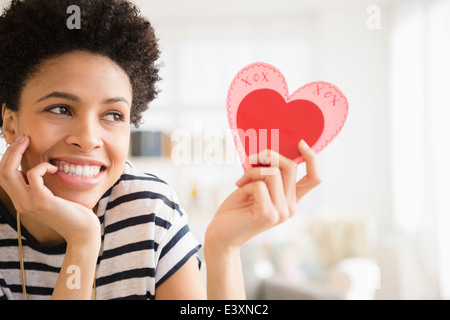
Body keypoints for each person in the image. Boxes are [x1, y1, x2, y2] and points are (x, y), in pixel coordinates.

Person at [0, 0, 321, 300]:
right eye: (60, 109)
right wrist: (82, 243)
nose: (88, 139)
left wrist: (225, 248)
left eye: (113, 115)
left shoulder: (149, 211)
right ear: (11, 123)